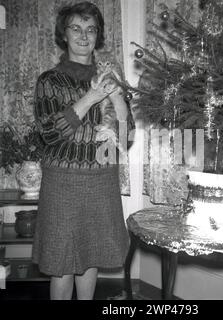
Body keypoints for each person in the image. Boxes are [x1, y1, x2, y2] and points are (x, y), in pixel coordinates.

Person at [32, 1, 134, 300]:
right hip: (63, 184)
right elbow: (50, 133)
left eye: (91, 29)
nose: (83, 35)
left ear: (98, 35)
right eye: (76, 28)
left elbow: (126, 139)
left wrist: (116, 99)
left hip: (101, 180)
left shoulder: (110, 80)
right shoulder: (48, 81)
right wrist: (91, 97)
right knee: (62, 262)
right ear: (64, 34)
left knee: (90, 257)